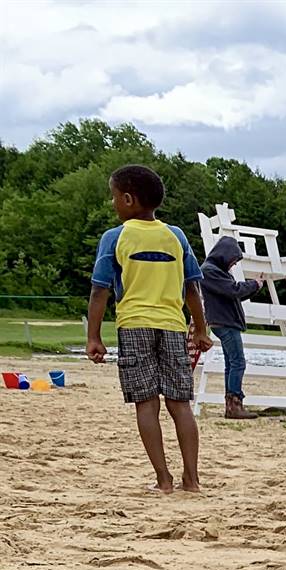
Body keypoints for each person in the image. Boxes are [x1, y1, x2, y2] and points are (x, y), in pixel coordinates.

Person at [84, 164, 214, 494]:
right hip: (172, 325)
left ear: (128, 199)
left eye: (114, 197)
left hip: (134, 326)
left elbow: (100, 290)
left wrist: (93, 337)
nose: (113, 203)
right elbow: (192, 289)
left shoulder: (114, 238)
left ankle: (163, 480)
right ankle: (192, 479)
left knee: (147, 404)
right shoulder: (176, 236)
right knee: (179, 403)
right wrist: (200, 330)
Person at [201, 236, 265, 420]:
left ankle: (232, 404)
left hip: (221, 322)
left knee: (231, 363)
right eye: (233, 260)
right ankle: (235, 404)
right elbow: (234, 290)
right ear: (225, 255)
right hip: (225, 323)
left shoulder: (212, 270)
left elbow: (232, 293)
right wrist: (255, 284)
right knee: (238, 362)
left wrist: (253, 287)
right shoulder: (210, 271)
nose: (233, 264)